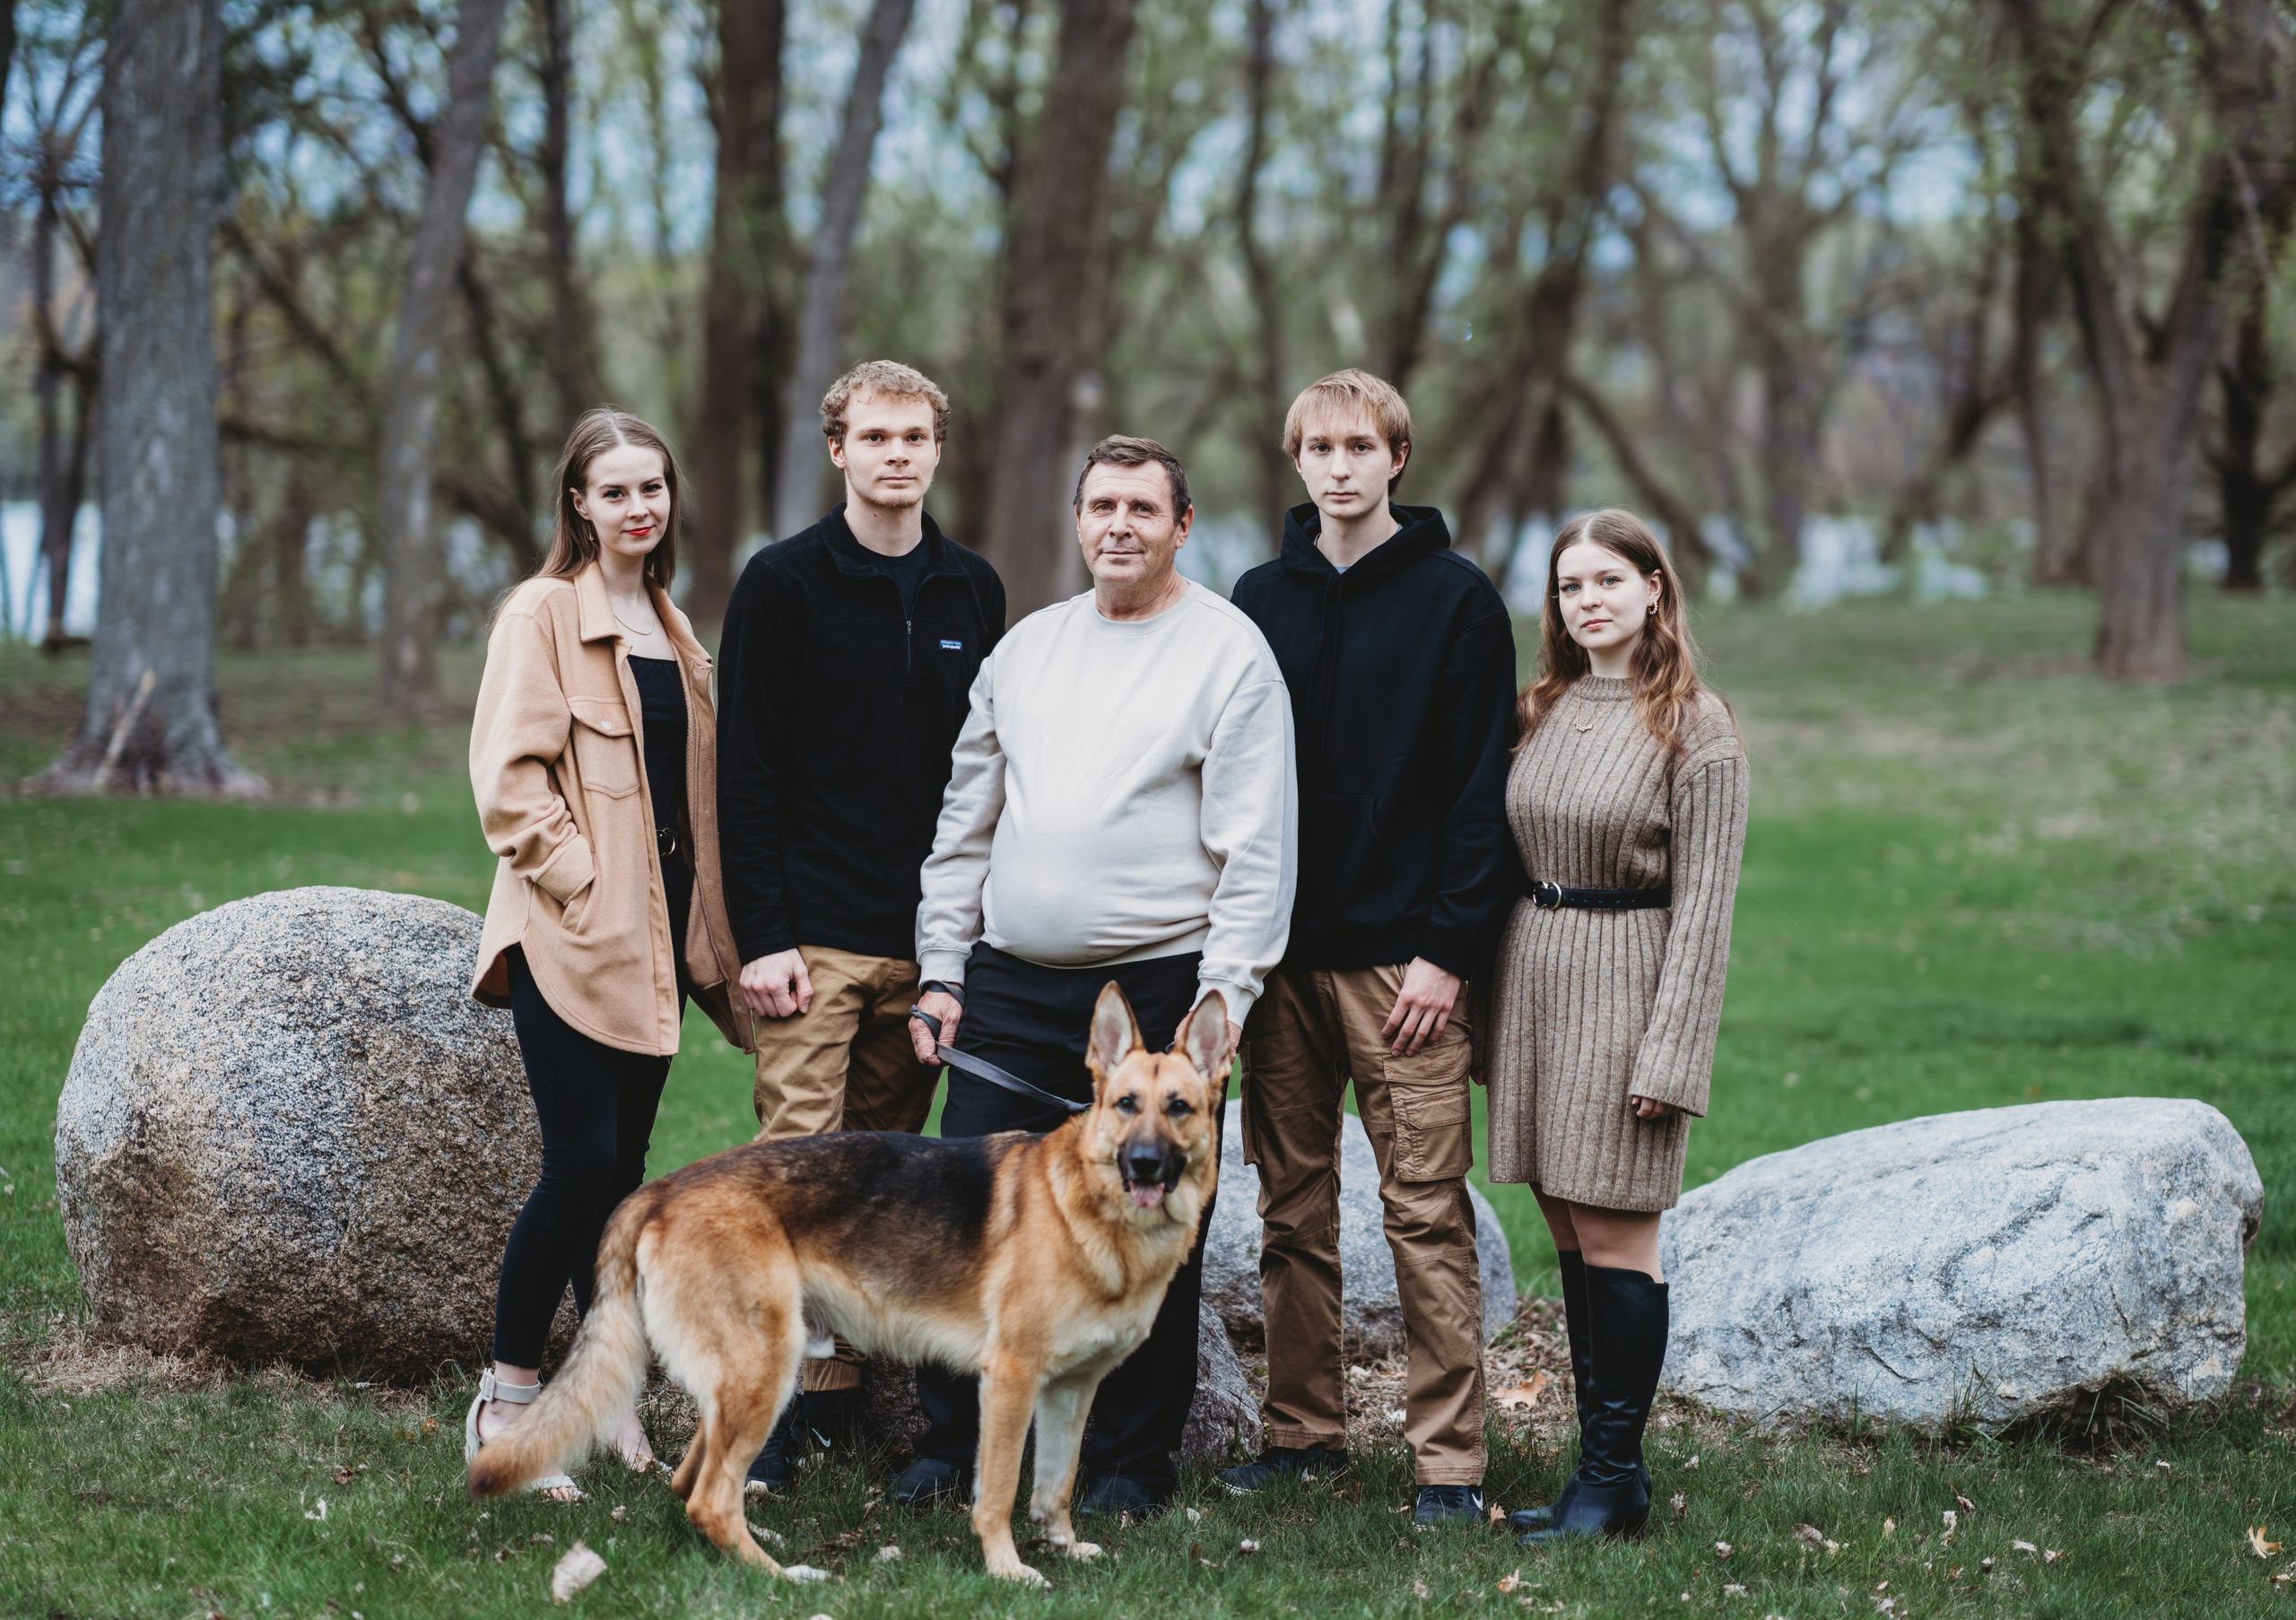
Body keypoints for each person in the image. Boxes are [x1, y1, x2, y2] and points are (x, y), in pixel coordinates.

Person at [900, 435, 1298, 1519]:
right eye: (1100, 506)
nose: (1117, 525)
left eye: (1142, 508)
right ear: (1077, 523)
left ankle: (1129, 1463)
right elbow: (964, 823)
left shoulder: (1228, 653)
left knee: (1150, 1217)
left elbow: (1256, 851)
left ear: (1181, 526)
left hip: (1164, 988)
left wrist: (1223, 1007)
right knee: (961, 1211)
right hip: (1012, 982)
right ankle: (948, 1440)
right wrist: (943, 971)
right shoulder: (1027, 649)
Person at [1223, 370, 1517, 1527]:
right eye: (1319, 446)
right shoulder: (1256, 598)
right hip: (1281, 960)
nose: (1339, 465)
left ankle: (1449, 1462)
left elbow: (1478, 793)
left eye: (1361, 445)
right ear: (1295, 460)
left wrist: (1448, 952)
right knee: (1290, 1212)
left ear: (1397, 457)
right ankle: (1302, 1436)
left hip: (1405, 963)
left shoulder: (1454, 600)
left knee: (1424, 1212)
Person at [716, 360, 1005, 1489]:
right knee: (793, 1170)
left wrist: (959, 945)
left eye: (916, 436)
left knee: (882, 1178)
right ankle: (777, 1406)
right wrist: (764, 935)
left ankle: (837, 1401)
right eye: (875, 436)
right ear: (838, 449)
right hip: (812, 941)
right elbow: (746, 773)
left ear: (937, 449)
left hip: (927, 942)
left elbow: (982, 776)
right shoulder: (782, 583)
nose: (897, 454)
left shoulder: (970, 589)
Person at [465, 408, 750, 1500]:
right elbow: (508, 776)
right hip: (572, 936)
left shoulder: (676, 629)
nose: (640, 507)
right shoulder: (543, 612)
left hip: (656, 950)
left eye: (654, 488)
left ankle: (603, 1393)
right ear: (577, 504)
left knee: (624, 1183)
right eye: (616, 490)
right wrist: (580, 882)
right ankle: (507, 1394)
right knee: (580, 1168)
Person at [1483, 508, 1748, 1545]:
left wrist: (1671, 1053)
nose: (1585, 601)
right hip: (1535, 981)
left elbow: (1708, 906)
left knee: (1616, 1232)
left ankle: (1612, 1482)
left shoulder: (1695, 723)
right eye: (1566, 586)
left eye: (1605, 581)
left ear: (1652, 588)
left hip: (1626, 986)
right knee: (1565, 1229)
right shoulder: (1538, 706)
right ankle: (1601, 1478)